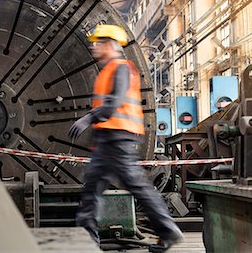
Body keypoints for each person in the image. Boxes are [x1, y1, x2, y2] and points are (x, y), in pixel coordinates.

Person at [68, 24, 183, 252]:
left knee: (133, 185)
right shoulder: (109, 70)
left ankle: (168, 230)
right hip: (109, 138)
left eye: (98, 42)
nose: (94, 47)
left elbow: (114, 103)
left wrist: (88, 119)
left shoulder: (120, 68)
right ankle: (87, 241)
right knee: (93, 189)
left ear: (110, 45)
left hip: (119, 139)